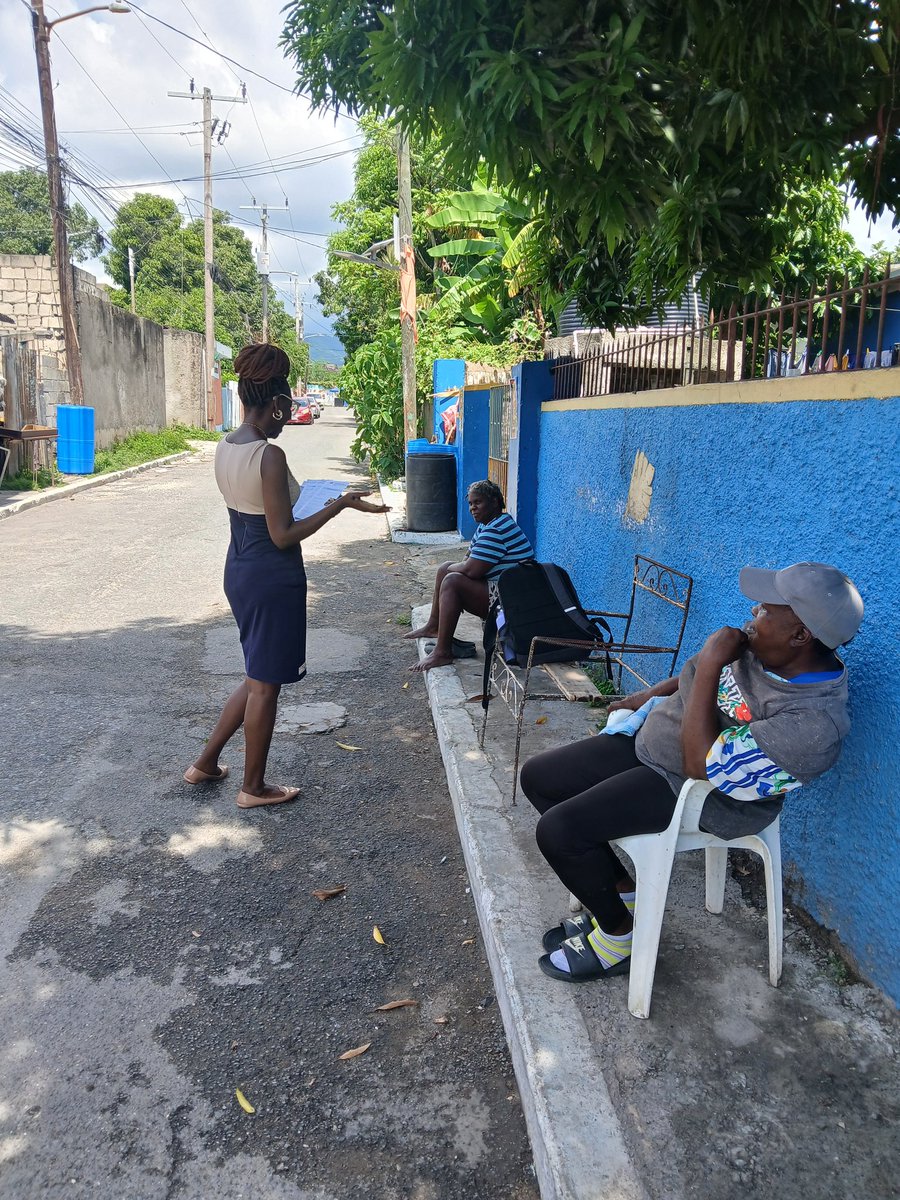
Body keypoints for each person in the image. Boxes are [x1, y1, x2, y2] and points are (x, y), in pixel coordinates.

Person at [520, 561, 863, 983]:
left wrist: (715, 660)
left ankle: (618, 939)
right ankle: (622, 894)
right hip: (654, 746)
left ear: (800, 635)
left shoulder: (812, 726)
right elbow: (689, 678)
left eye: (766, 609)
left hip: (701, 791)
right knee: (538, 778)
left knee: (559, 832)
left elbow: (699, 768)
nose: (753, 612)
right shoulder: (766, 650)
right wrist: (645, 696)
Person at [183, 343, 389, 809]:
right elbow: (283, 534)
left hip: (238, 567)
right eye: (288, 406)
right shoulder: (268, 455)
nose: (287, 415)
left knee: (258, 675)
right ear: (275, 402)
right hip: (271, 575)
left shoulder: (226, 446)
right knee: (265, 684)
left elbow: (257, 512)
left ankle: (205, 763)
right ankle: (253, 788)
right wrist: (338, 505)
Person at [405, 479, 533, 671]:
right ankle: (434, 626)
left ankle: (443, 652)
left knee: (452, 581)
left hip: (513, 603)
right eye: (471, 503)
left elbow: (472, 569)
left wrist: (458, 568)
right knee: (445, 569)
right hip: (503, 592)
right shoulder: (487, 525)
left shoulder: (497, 529)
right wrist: (455, 567)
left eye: (478, 502)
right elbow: (468, 560)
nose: (473, 508)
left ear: (495, 502)